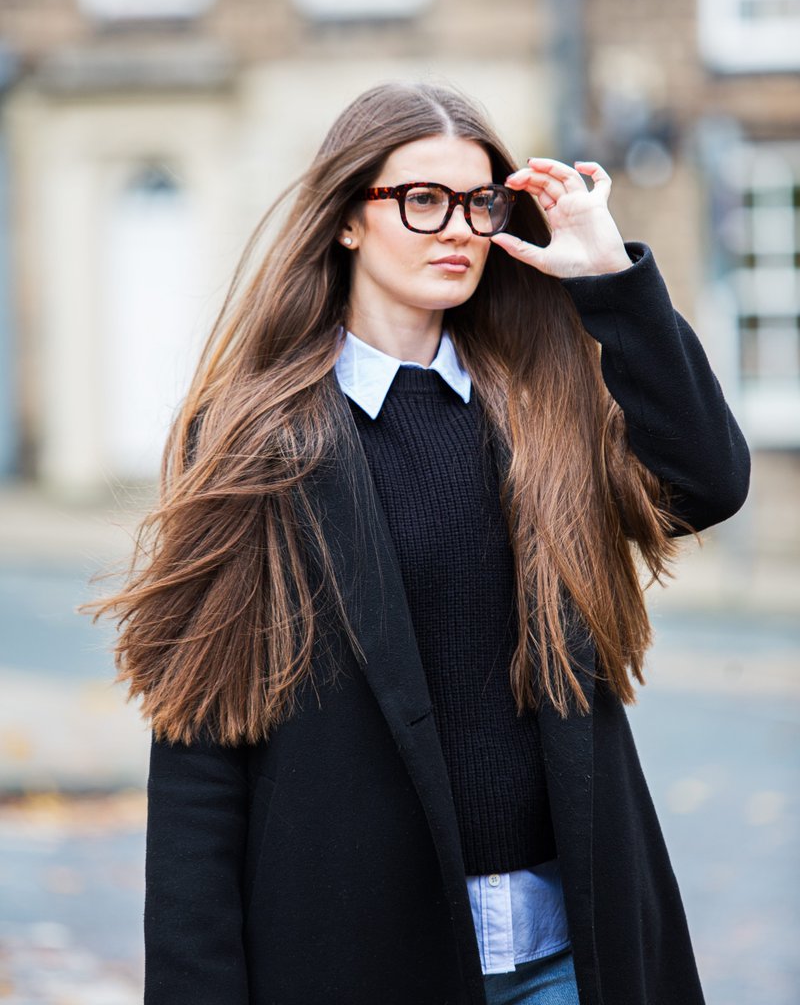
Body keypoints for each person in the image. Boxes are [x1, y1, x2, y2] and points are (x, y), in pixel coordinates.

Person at [87, 81, 750, 1005]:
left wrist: (609, 279)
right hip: (357, 957)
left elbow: (707, 484)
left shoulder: (541, 410)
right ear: (349, 220)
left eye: (479, 203)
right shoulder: (256, 443)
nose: (458, 229)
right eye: (420, 200)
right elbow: (202, 740)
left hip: (574, 955)